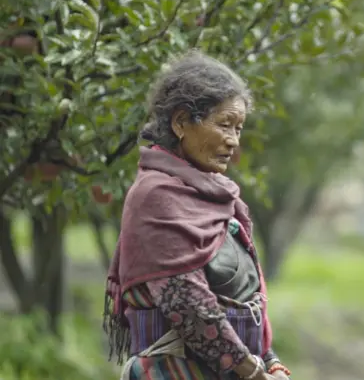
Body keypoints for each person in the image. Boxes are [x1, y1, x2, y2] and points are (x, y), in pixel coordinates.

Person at [104, 51, 291, 380]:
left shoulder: (218, 195)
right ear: (180, 123)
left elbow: (248, 292)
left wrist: (271, 361)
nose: (233, 140)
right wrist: (252, 372)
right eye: (224, 125)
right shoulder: (156, 197)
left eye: (239, 127)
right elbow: (187, 303)